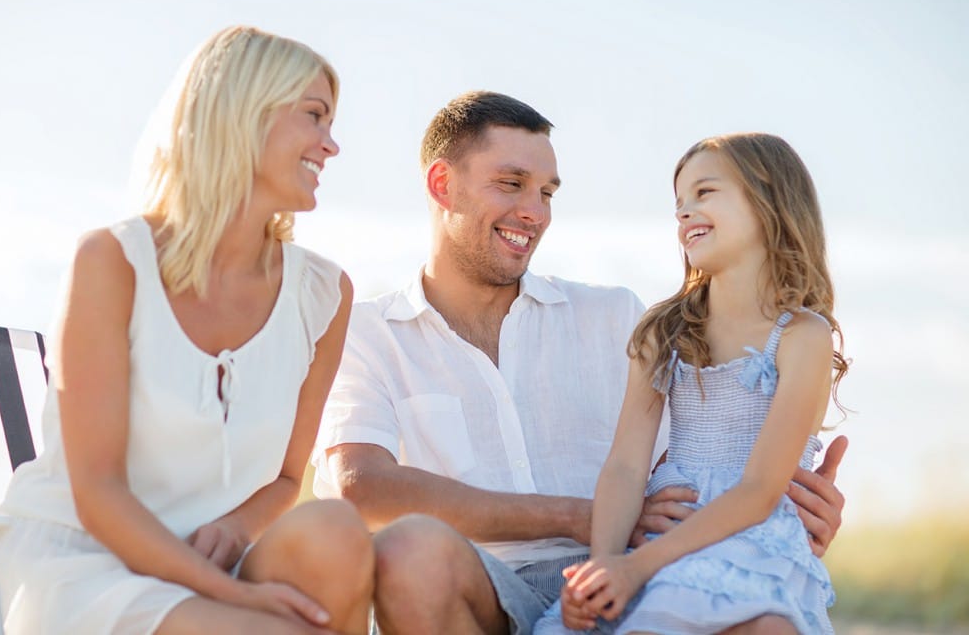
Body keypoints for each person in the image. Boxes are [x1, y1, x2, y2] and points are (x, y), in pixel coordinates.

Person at [312, 91, 848, 635]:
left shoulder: (617, 316)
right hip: (484, 589)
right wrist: (578, 517)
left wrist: (788, 509)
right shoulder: (366, 331)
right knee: (409, 549)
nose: (535, 211)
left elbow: (707, 462)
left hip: (633, 578)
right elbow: (362, 485)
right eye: (511, 183)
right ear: (442, 184)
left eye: (547, 192)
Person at [0, 26, 373, 635]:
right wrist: (230, 596)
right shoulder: (113, 261)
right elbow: (97, 491)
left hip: (214, 566)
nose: (331, 144)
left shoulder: (323, 295)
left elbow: (290, 479)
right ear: (243, 114)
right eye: (314, 116)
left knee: (337, 532)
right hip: (84, 568)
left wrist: (236, 530)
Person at [534, 133, 845, 635]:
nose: (683, 212)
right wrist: (605, 569)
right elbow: (626, 466)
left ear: (769, 201)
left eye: (704, 193)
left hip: (753, 542)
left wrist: (638, 566)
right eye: (678, 203)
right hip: (666, 539)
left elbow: (761, 489)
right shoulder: (665, 331)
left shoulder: (803, 336)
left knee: (769, 628)